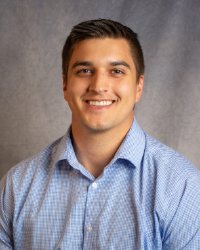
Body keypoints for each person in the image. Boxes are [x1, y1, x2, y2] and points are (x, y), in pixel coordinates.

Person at [0, 19, 200, 250]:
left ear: (138, 87)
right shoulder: (17, 187)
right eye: (85, 70)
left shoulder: (181, 187)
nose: (98, 85)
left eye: (116, 71)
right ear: (65, 85)